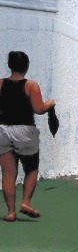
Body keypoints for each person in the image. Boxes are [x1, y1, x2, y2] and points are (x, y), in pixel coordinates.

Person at [1, 51, 56, 222]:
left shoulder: (0, 83)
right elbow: (39, 109)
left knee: (8, 173)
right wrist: (51, 103)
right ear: (27, 66)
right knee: (31, 169)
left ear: (9, 65)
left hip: (2, 130)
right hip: (25, 131)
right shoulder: (31, 85)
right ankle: (25, 202)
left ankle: (11, 212)